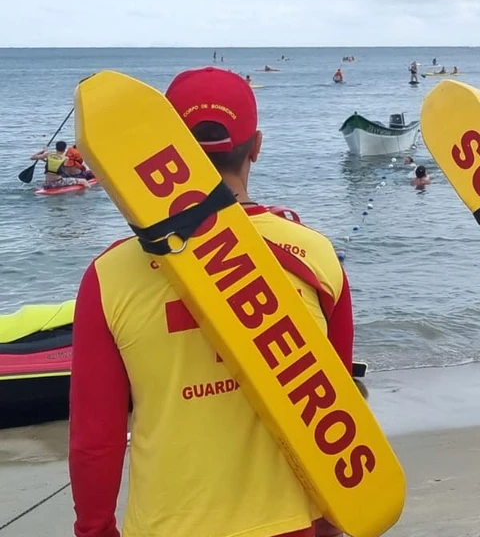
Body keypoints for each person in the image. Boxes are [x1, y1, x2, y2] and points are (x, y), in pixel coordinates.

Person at [68, 67, 353, 537]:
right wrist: (336, 519)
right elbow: (335, 402)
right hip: (293, 525)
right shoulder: (314, 254)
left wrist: (95, 530)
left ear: (164, 147)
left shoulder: (108, 276)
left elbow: (94, 441)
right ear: (256, 146)